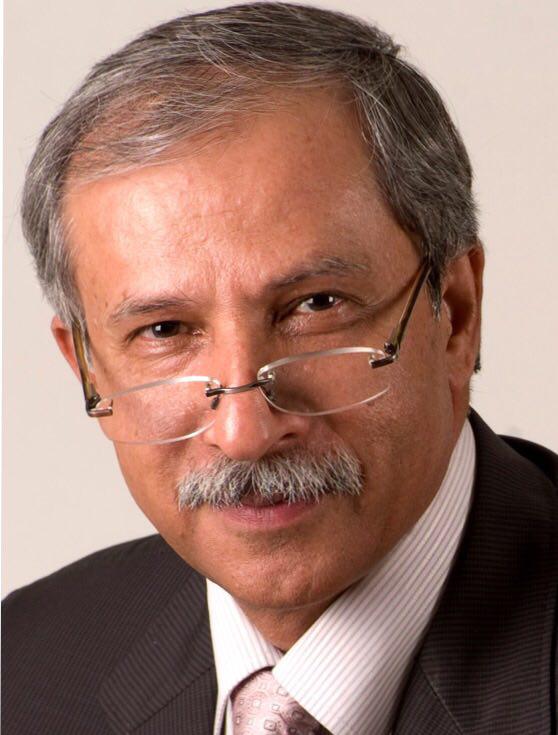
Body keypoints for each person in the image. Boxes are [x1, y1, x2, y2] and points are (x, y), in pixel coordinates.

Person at [3, 3, 556, 734]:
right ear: (89, 373)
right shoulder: (24, 667)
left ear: (454, 313)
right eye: (164, 330)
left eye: (316, 305)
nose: (244, 431)